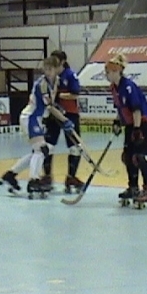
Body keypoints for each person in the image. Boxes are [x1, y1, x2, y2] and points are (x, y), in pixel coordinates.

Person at [0, 55, 74, 199]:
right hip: (30, 117)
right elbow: (49, 106)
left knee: (41, 151)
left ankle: (11, 174)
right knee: (41, 149)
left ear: (56, 69)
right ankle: (33, 180)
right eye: (45, 69)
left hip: (37, 119)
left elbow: (51, 104)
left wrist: (58, 110)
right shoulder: (43, 84)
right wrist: (65, 120)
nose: (48, 72)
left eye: (50, 69)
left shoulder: (56, 81)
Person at [105, 54, 147, 208]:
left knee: (140, 156)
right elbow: (121, 108)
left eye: (108, 72)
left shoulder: (128, 86)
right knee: (128, 156)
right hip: (131, 123)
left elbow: (136, 109)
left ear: (117, 71)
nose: (106, 75)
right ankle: (133, 187)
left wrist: (137, 129)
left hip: (144, 122)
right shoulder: (114, 88)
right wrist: (117, 121)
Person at [42, 49, 84, 192]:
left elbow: (75, 94)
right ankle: (47, 177)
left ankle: (71, 177)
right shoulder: (50, 76)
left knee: (75, 147)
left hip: (69, 114)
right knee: (48, 145)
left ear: (63, 62)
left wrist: (59, 95)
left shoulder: (70, 75)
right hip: (53, 114)